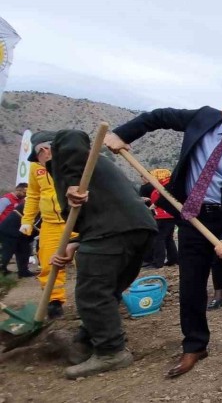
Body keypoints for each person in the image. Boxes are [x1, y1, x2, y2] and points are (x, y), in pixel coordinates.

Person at [104, 90, 222, 376]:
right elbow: (158, 117)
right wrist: (124, 134)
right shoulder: (203, 118)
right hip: (192, 215)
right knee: (192, 284)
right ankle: (195, 345)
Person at [47, 129, 158, 379]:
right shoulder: (101, 167)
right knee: (107, 291)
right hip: (136, 229)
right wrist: (75, 243)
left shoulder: (74, 163)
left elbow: (73, 139)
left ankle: (110, 351)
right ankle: (87, 340)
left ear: (47, 150)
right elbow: (101, 209)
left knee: (93, 294)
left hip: (112, 232)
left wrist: (73, 180)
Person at [20, 131, 70, 319]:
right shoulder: (35, 168)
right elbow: (33, 195)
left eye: (41, 151)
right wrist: (27, 220)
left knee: (89, 260)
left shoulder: (69, 161)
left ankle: (103, 296)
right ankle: (54, 302)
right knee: (49, 262)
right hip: (50, 224)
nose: (40, 157)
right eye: (37, 153)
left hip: (75, 221)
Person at [145, 169, 178, 269]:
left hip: (162, 216)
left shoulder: (162, 186)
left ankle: (158, 262)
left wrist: (151, 206)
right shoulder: (170, 185)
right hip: (171, 216)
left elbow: (161, 200)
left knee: (159, 239)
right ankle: (173, 259)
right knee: (168, 238)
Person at [0, 201, 36, 277]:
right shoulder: (32, 202)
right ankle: (2, 269)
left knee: (24, 251)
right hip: (10, 229)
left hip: (21, 230)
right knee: (8, 252)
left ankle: (23, 271)